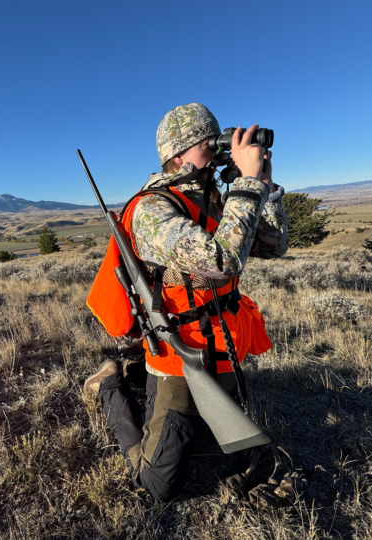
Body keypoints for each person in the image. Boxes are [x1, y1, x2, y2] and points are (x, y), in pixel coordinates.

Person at [84, 103, 291, 504]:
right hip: (180, 356)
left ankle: (137, 379)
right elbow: (222, 260)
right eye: (209, 144)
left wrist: (265, 187)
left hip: (224, 348)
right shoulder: (152, 209)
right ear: (179, 154)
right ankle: (109, 383)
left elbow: (272, 246)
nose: (218, 152)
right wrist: (247, 184)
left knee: (216, 434)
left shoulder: (212, 200)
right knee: (157, 484)